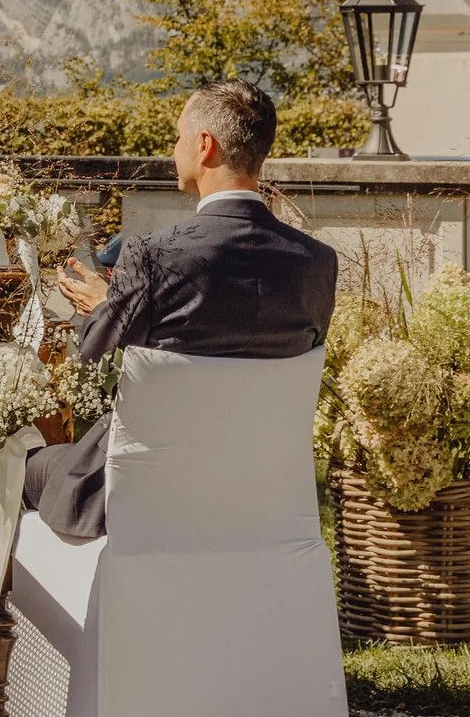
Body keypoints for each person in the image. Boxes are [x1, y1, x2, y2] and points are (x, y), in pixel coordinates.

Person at [22, 80, 338, 540]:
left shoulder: (153, 254)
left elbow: (91, 365)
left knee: (19, 465)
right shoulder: (317, 262)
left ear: (204, 145)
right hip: (254, 496)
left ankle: (20, 609)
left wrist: (102, 308)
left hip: (140, 492)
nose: (174, 150)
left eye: (177, 137)